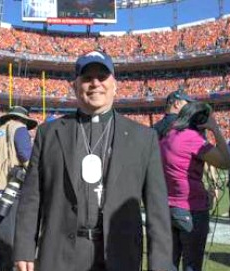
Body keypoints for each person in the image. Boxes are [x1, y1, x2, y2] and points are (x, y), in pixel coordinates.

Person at [14, 51, 173, 271]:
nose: (95, 83)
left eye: (102, 76)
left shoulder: (143, 138)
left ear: (115, 85)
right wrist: (23, 248)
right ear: (75, 86)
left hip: (119, 254)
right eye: (87, 78)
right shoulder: (48, 133)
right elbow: (32, 197)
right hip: (60, 253)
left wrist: (161, 263)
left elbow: (157, 208)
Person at [159, 101, 230, 271]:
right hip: (191, 209)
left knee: (170, 263)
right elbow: (225, 162)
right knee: (191, 264)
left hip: (168, 207)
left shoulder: (169, 134)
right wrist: (215, 128)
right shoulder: (191, 138)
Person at [0, 106, 37, 271]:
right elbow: (26, 156)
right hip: (6, 194)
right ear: (23, 119)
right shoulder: (18, 128)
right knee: (9, 251)